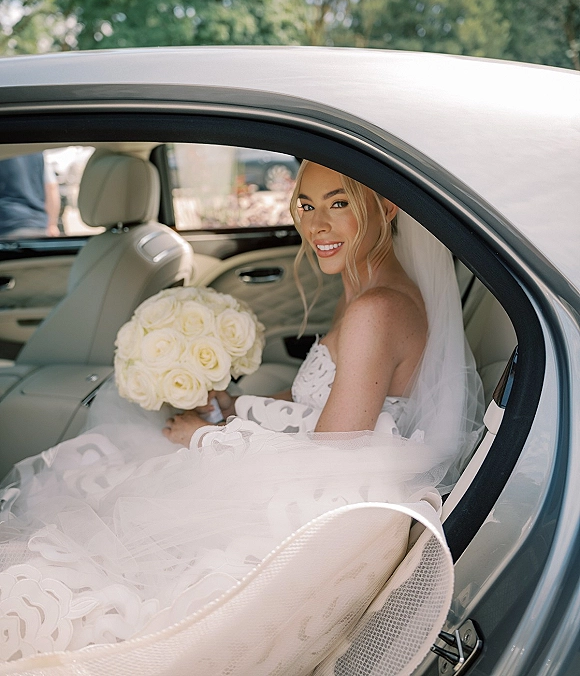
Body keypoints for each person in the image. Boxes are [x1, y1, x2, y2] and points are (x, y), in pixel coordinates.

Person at [0, 163, 483, 662]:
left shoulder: (375, 310)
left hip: (319, 504)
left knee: (107, 533)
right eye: (306, 205)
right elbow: (325, 406)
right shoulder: (364, 288)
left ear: (387, 206)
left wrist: (204, 439)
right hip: (317, 475)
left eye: (340, 204)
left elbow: (331, 459)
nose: (317, 225)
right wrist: (236, 407)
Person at [0, 153, 60, 239]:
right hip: (39, 225)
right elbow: (51, 187)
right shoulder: (36, 151)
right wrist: (51, 225)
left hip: (7, 225)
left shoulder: (5, 147)